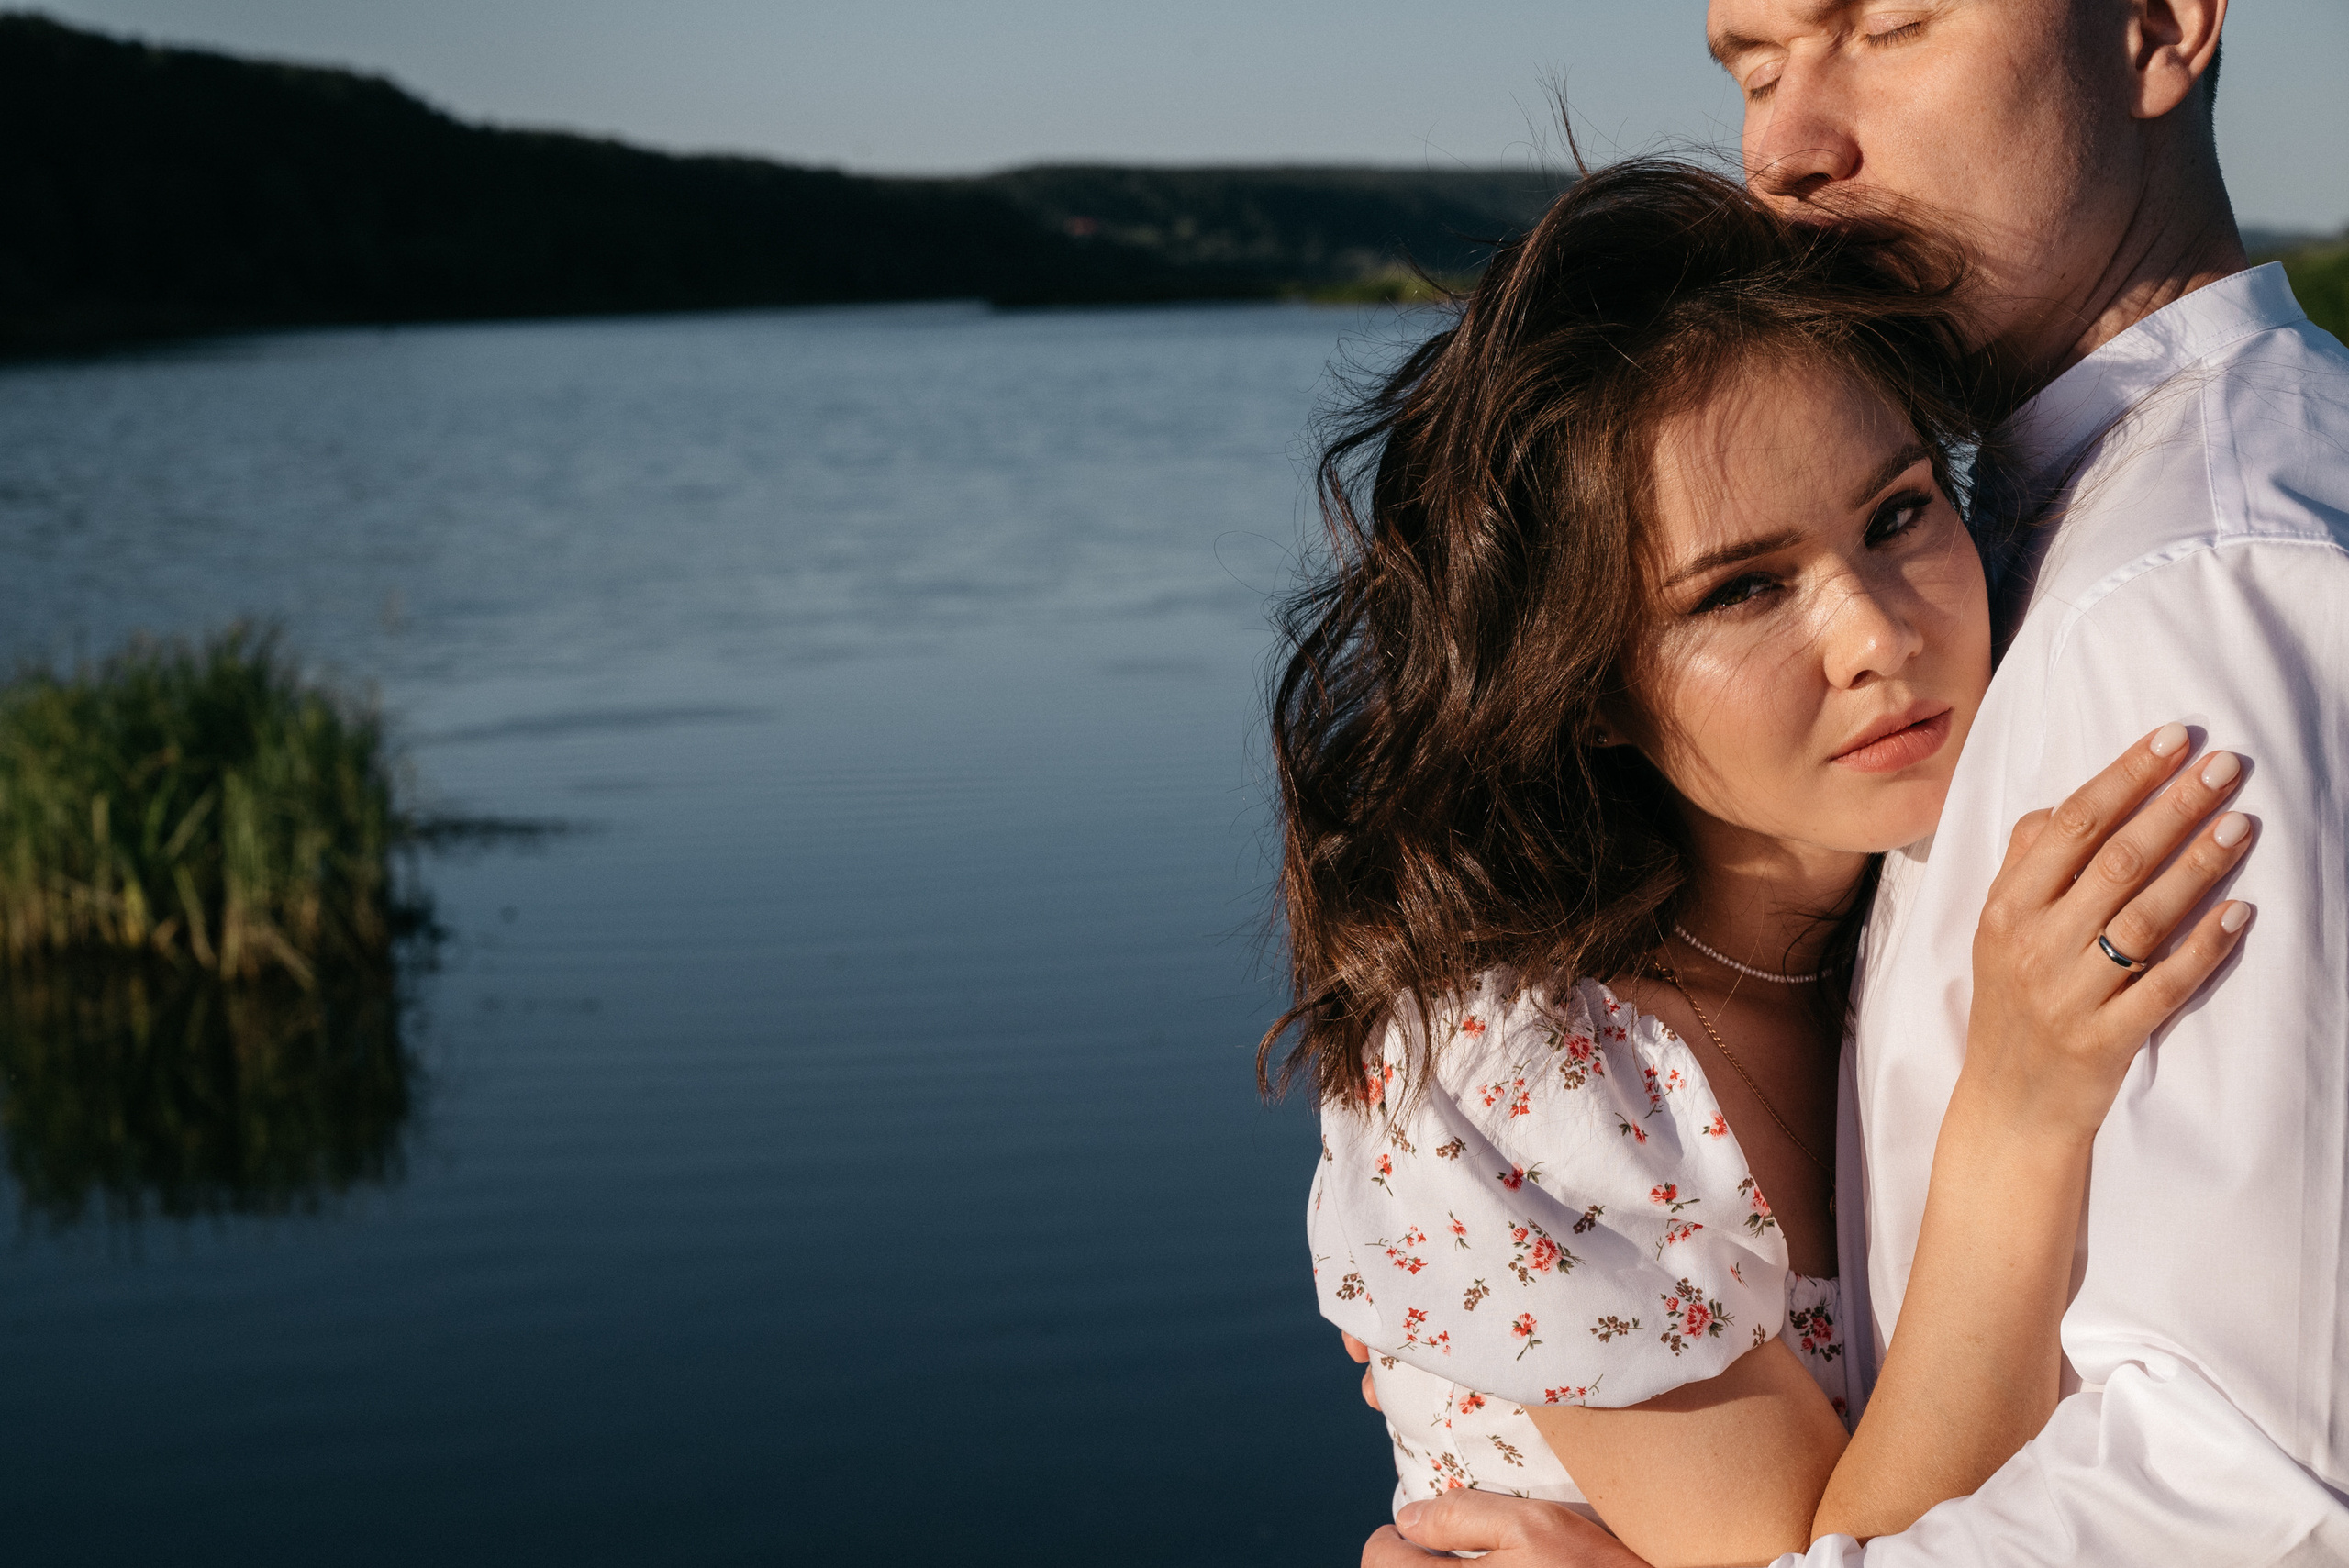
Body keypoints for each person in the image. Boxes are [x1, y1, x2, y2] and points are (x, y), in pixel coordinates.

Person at [1363, 1, 2349, 1562]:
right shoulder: (1569, 1053)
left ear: (2163, 25)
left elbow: (2251, 1483)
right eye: (1752, 66)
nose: (1783, 148)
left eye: (1887, 23)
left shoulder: (2192, 592)